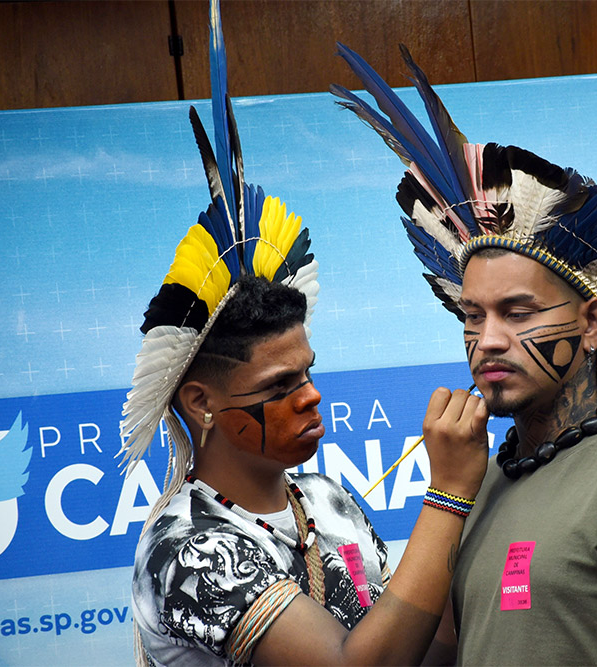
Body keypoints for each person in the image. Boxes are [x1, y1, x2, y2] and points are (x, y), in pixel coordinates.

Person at [332, 45, 597, 665]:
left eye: (518, 313)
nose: (488, 338)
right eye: (472, 315)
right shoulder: (481, 480)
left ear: (593, 320)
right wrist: (447, 495)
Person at [117, 6, 488, 665]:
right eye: (279, 384)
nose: (311, 396)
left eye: (308, 372)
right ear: (201, 401)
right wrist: (448, 495)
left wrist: (472, 516)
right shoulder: (190, 546)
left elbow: (425, 653)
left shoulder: (327, 502)